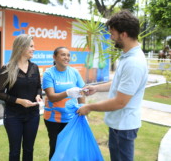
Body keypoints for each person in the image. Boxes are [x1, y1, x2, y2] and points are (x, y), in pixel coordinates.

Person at [77, 10, 148, 161]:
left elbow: (120, 102)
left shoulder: (134, 63)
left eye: (113, 33)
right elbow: (118, 83)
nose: (111, 37)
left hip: (124, 126)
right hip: (118, 124)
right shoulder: (127, 56)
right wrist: (97, 88)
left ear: (123, 34)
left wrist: (89, 107)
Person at [0, 34, 43, 161]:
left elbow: (38, 86)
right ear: (21, 48)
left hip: (33, 115)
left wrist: (38, 95)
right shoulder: (7, 68)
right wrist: (20, 101)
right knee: (15, 151)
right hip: (13, 116)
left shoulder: (35, 67)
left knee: (29, 149)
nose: (34, 49)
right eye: (31, 46)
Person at [42, 46, 86, 160]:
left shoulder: (74, 72)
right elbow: (51, 97)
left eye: (68, 55)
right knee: (56, 149)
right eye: (63, 55)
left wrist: (83, 109)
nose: (66, 57)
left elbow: (82, 92)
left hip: (71, 118)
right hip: (54, 119)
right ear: (54, 57)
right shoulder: (49, 74)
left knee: (70, 149)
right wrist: (67, 92)